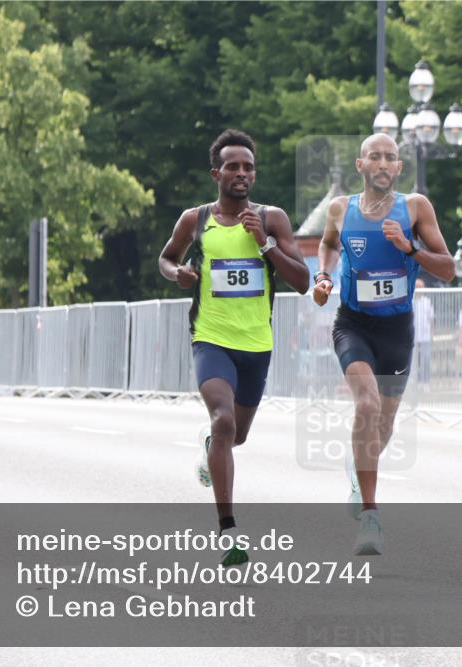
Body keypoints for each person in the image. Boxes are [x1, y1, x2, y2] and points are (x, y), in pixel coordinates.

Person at [159, 129, 309, 566]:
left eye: (248, 167)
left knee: (235, 435)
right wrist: (177, 274)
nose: (241, 173)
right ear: (216, 174)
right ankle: (229, 532)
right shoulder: (195, 220)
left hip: (256, 344)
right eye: (232, 166)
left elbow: (302, 281)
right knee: (224, 420)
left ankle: (211, 444)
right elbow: (166, 258)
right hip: (211, 339)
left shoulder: (272, 219)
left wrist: (265, 243)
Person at [313, 133, 455, 555]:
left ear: (398, 167)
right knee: (367, 404)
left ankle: (357, 467)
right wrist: (324, 275)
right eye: (373, 156)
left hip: (397, 328)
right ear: (360, 165)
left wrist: (409, 248)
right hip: (353, 323)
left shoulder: (415, 208)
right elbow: (327, 244)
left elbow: (448, 269)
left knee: (386, 424)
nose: (381, 163)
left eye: (389, 157)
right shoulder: (341, 209)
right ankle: (370, 516)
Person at [413, 279, 434, 385]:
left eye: (421, 287)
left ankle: (425, 380)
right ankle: (413, 380)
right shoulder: (410, 301)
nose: (419, 289)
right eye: (418, 287)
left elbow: (431, 320)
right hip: (413, 337)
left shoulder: (427, 302)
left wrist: (432, 334)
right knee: (413, 360)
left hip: (425, 337)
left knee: (425, 359)